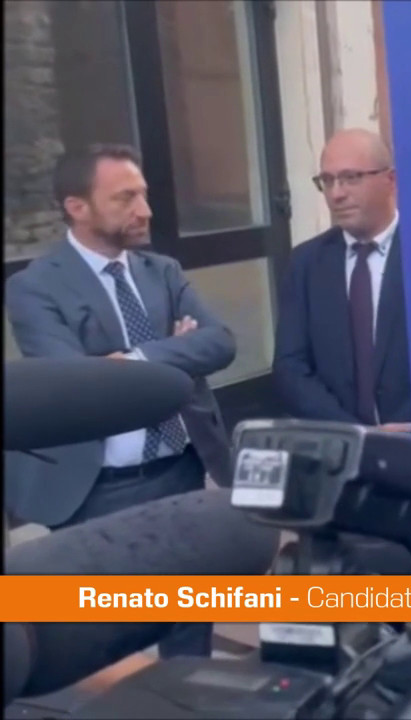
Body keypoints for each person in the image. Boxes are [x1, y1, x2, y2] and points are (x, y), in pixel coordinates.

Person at [5, 143, 236, 658]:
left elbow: (220, 343)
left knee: (187, 625)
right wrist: (176, 352)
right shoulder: (33, 287)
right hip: (97, 489)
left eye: (144, 195)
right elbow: (76, 383)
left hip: (181, 469)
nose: (145, 210)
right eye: (125, 198)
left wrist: (132, 358)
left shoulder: (163, 271)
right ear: (77, 207)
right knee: (105, 636)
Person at [272, 128, 411, 431]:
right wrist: (356, 434)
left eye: (351, 178)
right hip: (339, 445)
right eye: (327, 180)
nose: (336, 193)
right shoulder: (306, 263)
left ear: (390, 180)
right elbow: (290, 368)